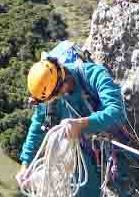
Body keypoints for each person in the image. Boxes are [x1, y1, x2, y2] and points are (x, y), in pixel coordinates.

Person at [16, 51, 127, 196]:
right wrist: (26, 165)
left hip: (115, 146)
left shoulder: (92, 74)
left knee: (124, 186)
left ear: (62, 81)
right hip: (83, 152)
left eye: (56, 96)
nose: (56, 99)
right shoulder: (51, 95)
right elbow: (38, 126)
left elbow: (117, 112)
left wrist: (82, 124)